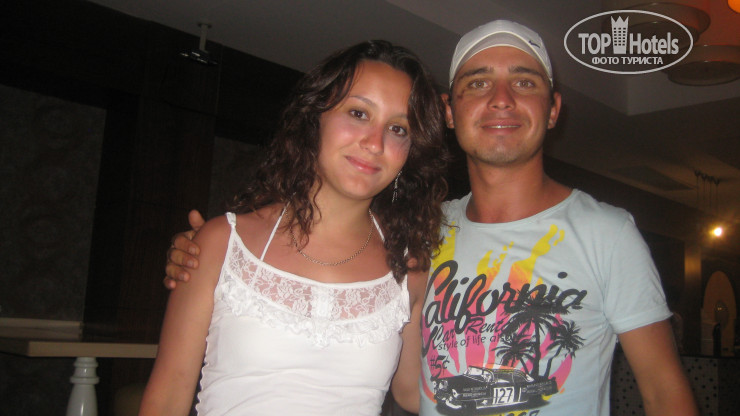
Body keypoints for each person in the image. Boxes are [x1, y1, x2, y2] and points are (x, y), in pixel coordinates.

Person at [165, 21, 699, 416]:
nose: (501, 99)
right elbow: (413, 390)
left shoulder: (608, 233)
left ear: (554, 108)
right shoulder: (419, 235)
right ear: (447, 111)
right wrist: (206, 252)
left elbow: (664, 393)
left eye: (525, 82)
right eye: (477, 83)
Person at [140, 40, 449, 416]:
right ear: (314, 118)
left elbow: (414, 393)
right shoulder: (221, 243)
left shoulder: (409, 268)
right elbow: (167, 397)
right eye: (358, 113)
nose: (375, 143)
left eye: (398, 129)